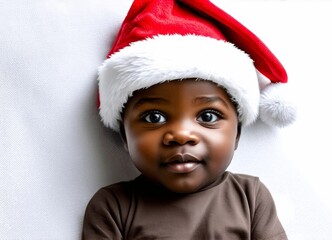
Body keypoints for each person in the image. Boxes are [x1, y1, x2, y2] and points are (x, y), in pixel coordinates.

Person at [82, 0, 296, 239]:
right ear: (124, 135)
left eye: (207, 116)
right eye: (154, 117)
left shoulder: (250, 197)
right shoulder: (114, 207)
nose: (182, 134)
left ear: (236, 134)